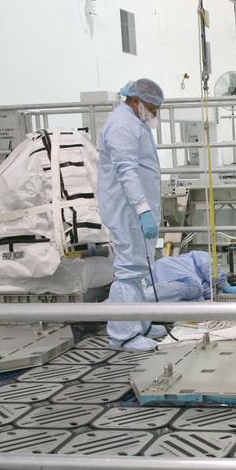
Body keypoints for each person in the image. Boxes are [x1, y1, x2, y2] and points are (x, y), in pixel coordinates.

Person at [98, 78, 166, 349]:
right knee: (128, 269)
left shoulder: (136, 123)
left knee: (139, 268)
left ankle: (141, 323)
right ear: (136, 101)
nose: (155, 113)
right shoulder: (122, 125)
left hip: (139, 209)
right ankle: (123, 333)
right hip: (128, 210)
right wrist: (142, 209)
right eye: (152, 106)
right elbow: (126, 171)